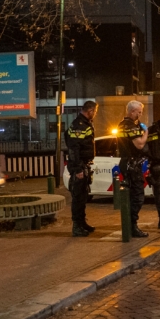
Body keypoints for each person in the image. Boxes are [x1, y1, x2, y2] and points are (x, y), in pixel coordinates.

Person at [118, 100, 150, 238]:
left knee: (131, 196)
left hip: (127, 163)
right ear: (132, 111)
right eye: (139, 112)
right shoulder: (130, 126)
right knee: (137, 196)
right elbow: (139, 145)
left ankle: (130, 226)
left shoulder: (121, 124)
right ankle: (132, 226)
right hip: (131, 165)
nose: (140, 115)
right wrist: (146, 132)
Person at [66, 100, 98, 237]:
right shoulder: (78, 126)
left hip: (84, 164)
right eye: (95, 112)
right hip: (79, 166)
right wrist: (78, 169)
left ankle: (82, 222)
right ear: (90, 111)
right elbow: (74, 149)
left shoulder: (85, 124)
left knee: (83, 196)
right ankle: (76, 226)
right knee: (78, 197)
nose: (95, 114)